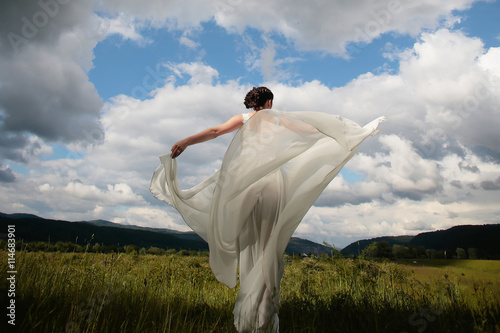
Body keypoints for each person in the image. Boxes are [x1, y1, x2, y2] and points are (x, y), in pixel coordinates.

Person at [150, 87, 385, 332]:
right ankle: (264, 316)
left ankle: (249, 314)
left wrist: (185, 142)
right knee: (269, 247)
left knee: (250, 247)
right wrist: (352, 133)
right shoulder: (279, 118)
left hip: (244, 188)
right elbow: (314, 131)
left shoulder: (244, 119)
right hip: (272, 187)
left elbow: (216, 131)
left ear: (254, 104)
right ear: (270, 102)